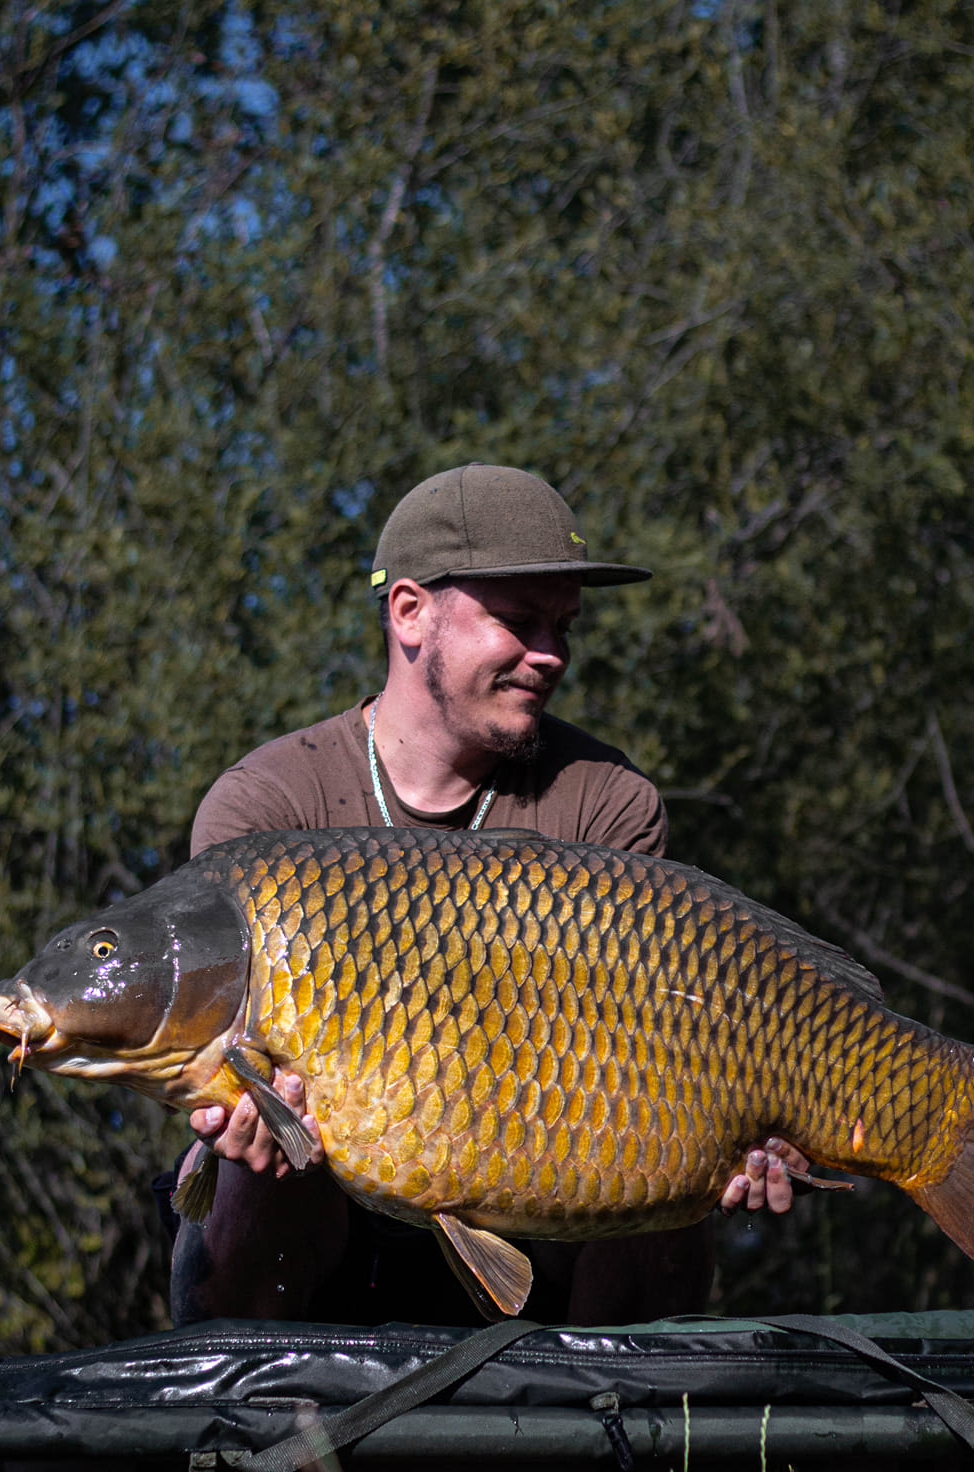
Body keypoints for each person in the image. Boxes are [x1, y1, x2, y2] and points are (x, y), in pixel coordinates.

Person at [170, 462, 804, 1327]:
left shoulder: (606, 802)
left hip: (546, 1195)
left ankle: (618, 1412)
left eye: (563, 626)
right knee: (256, 1152)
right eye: (518, 620)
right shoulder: (267, 807)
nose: (552, 655)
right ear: (409, 612)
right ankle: (267, 1410)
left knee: (672, 1162)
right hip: (327, 1220)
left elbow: (647, 1049)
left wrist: (730, 1133)